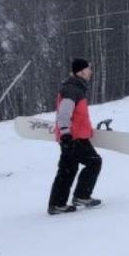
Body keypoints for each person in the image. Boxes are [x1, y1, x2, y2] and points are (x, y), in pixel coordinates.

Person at [47, 58, 103, 215]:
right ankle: (81, 196)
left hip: (74, 136)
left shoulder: (76, 88)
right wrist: (65, 134)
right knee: (94, 162)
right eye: (88, 69)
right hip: (73, 138)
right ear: (81, 71)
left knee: (67, 169)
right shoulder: (72, 89)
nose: (90, 71)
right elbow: (64, 113)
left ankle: (57, 204)